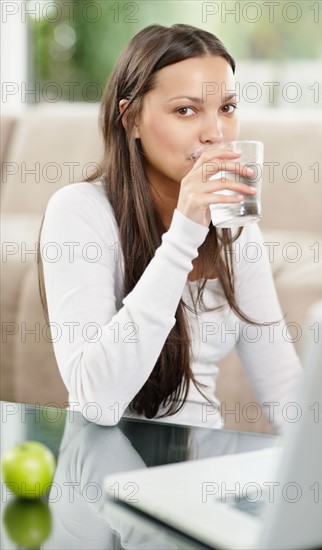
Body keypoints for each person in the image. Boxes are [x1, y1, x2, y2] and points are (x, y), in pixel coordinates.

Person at [38, 23, 302, 432]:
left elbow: (285, 392)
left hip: (197, 471)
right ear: (132, 120)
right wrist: (185, 232)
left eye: (227, 108)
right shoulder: (79, 211)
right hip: (104, 468)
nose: (215, 133)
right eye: (186, 110)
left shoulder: (234, 225)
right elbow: (99, 401)